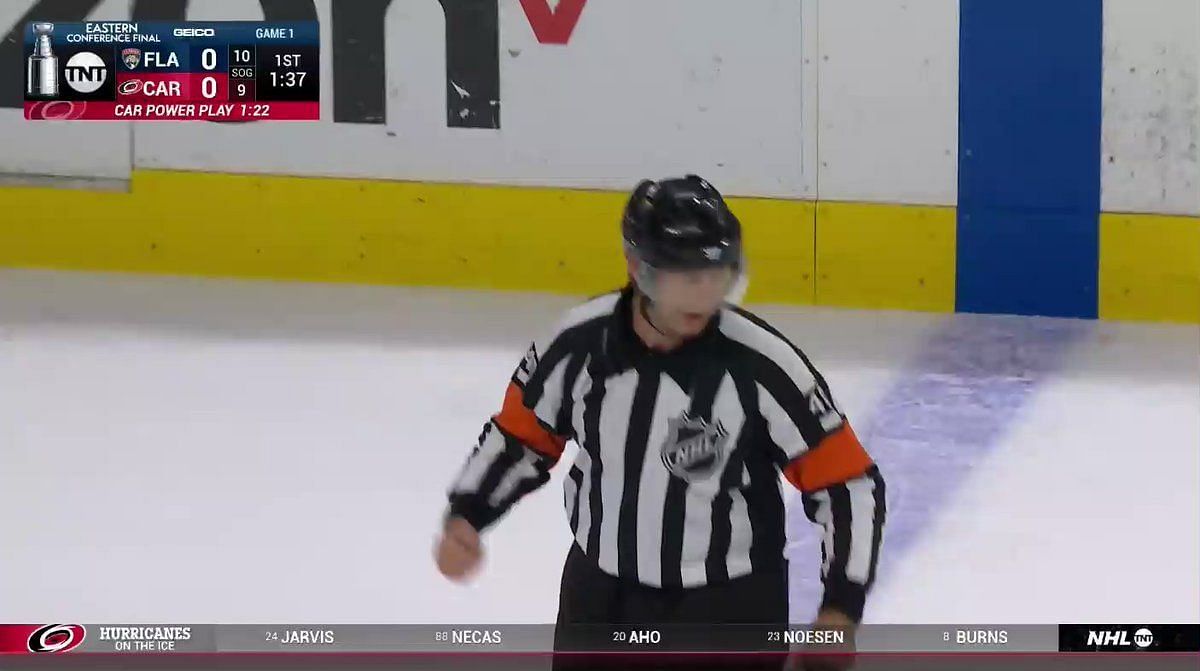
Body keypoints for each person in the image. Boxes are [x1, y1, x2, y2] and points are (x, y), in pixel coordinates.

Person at [435, 175, 886, 670]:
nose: (704, 291)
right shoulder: (579, 344)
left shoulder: (763, 366)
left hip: (728, 610)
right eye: (684, 274)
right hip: (602, 598)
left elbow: (847, 482)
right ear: (637, 267)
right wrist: (469, 514)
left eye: (717, 273)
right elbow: (520, 437)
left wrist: (841, 607)